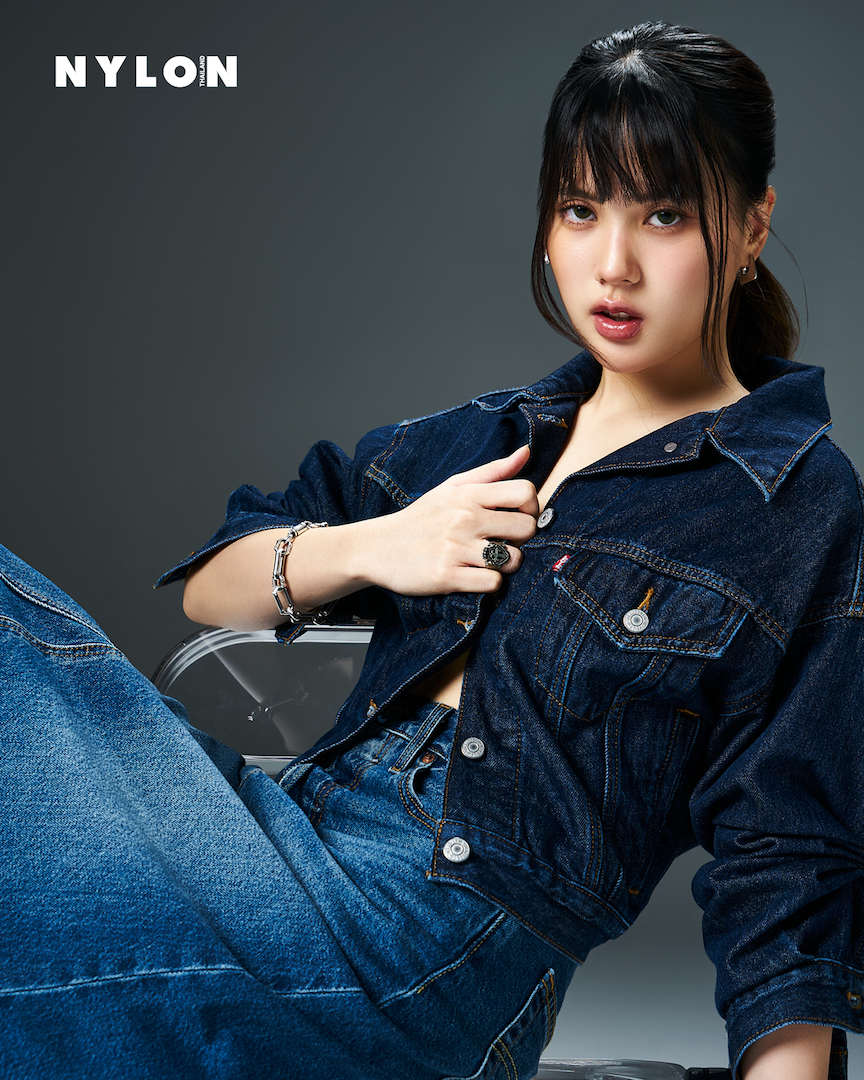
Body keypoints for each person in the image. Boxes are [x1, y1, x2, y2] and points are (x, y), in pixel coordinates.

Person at [1, 20, 861, 1080]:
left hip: (420, 945)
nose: (614, 264)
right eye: (580, 210)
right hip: (272, 835)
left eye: (665, 214)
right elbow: (215, 593)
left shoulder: (793, 502)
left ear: (753, 225)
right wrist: (385, 545)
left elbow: (790, 862)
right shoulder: (472, 442)